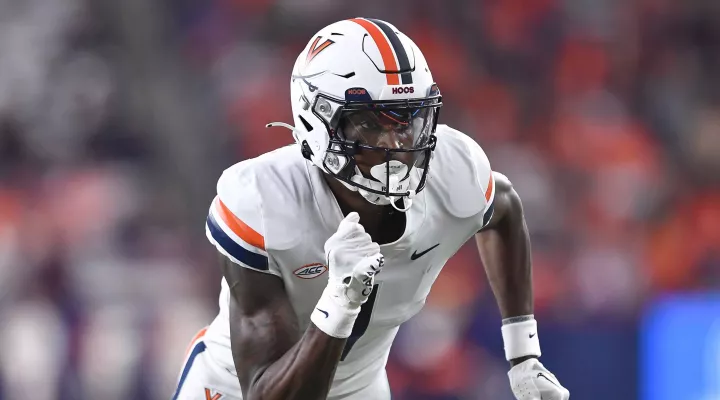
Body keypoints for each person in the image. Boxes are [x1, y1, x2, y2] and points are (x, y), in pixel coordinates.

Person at [172, 17, 570, 400]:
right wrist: (338, 303)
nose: (396, 145)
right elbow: (264, 392)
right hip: (230, 389)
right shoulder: (263, 198)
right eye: (370, 123)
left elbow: (503, 209)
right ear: (317, 121)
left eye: (408, 121)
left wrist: (523, 354)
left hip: (361, 390)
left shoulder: (453, 171)